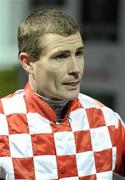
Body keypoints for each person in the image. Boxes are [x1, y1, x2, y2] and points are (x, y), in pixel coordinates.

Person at [0, 8, 125, 180]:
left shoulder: (108, 121)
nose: (75, 69)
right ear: (28, 63)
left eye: (79, 53)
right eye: (61, 57)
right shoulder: (2, 122)